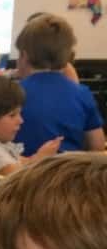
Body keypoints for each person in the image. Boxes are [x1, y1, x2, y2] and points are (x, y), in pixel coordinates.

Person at [13, 14, 105, 155]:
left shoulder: (10, 94)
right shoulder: (81, 93)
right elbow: (97, 146)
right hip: (68, 172)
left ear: (24, 56)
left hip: (22, 173)